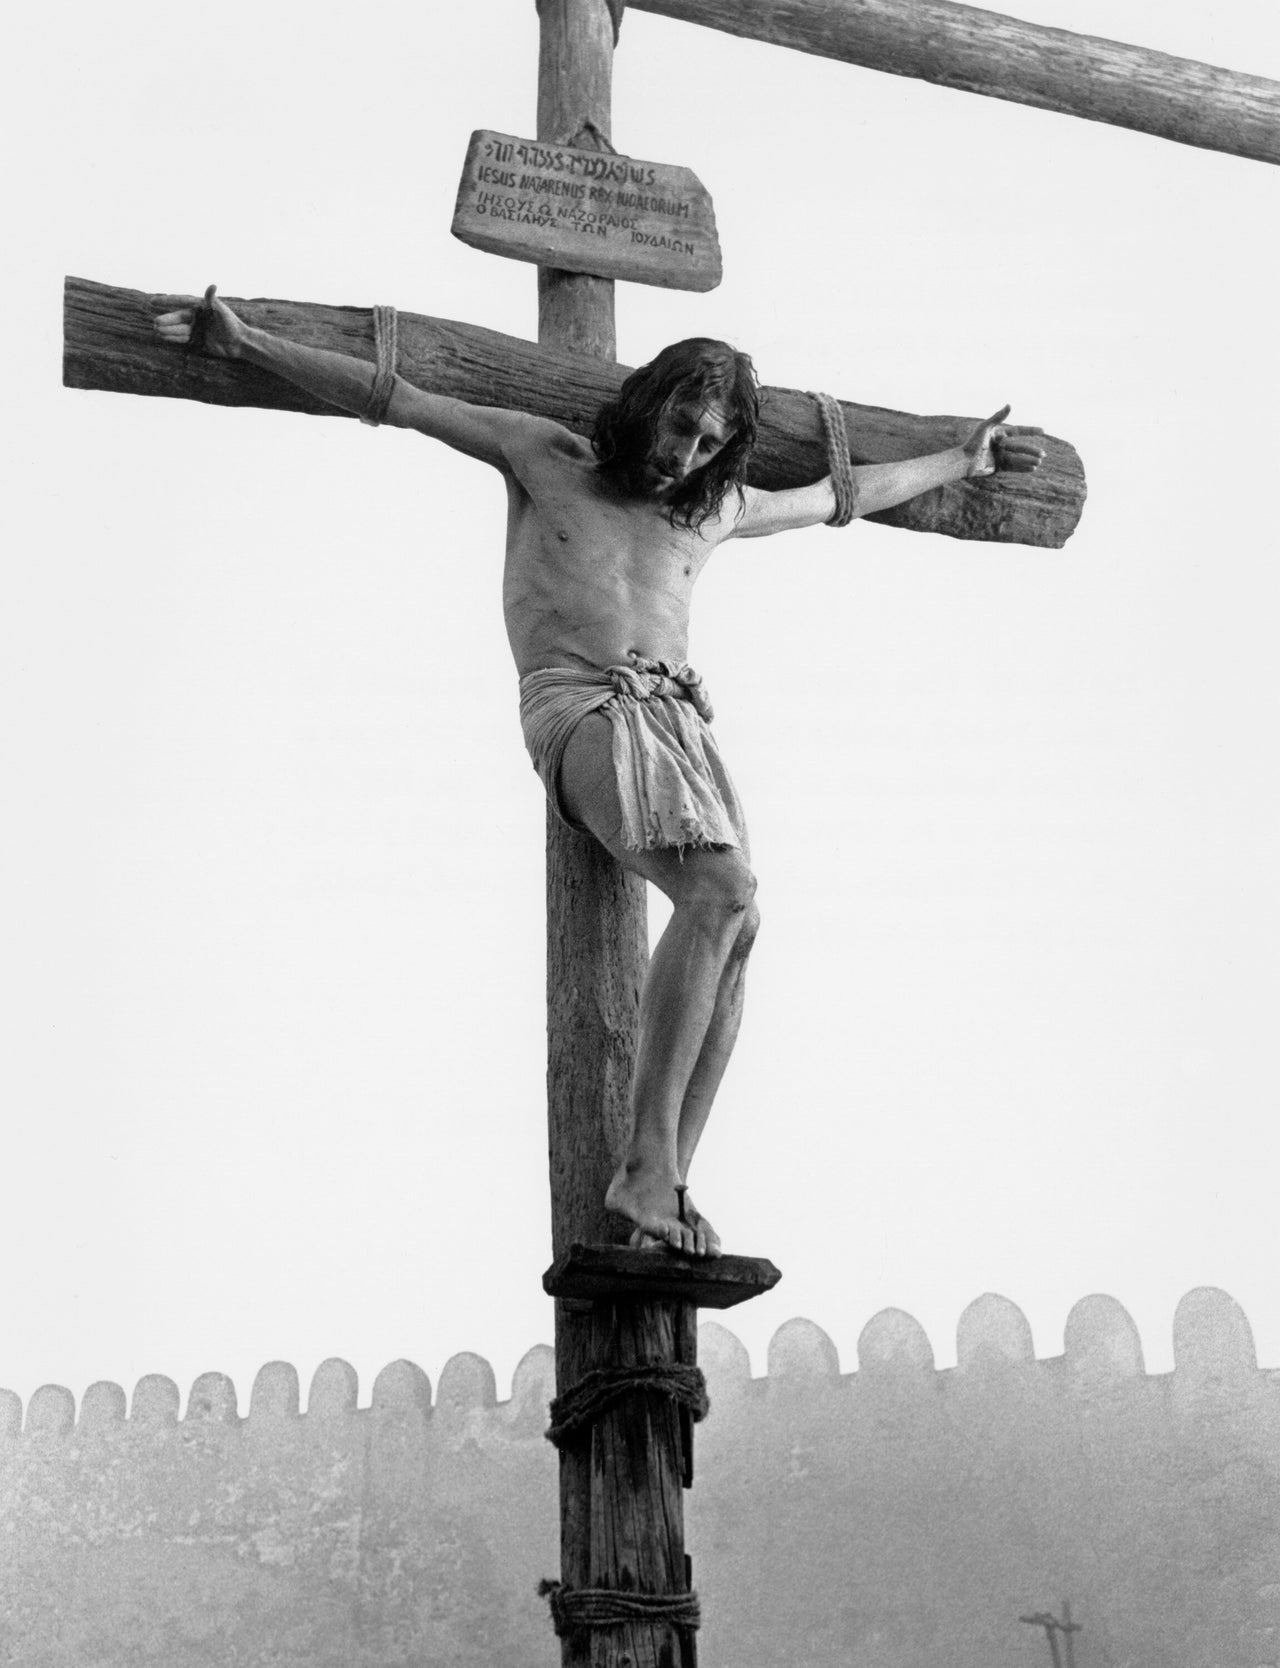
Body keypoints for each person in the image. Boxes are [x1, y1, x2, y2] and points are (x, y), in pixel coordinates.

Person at [155, 288, 1046, 1258]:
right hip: (577, 704)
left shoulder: (709, 516)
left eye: (709, 442)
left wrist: (959, 460)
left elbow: (840, 496)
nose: (686, 451)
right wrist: (244, 341)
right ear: (650, 400)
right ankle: (641, 1173)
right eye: (679, 422)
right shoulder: (546, 456)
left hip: (675, 721)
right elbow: (391, 395)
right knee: (722, 888)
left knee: (740, 923)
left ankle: (664, 1182)